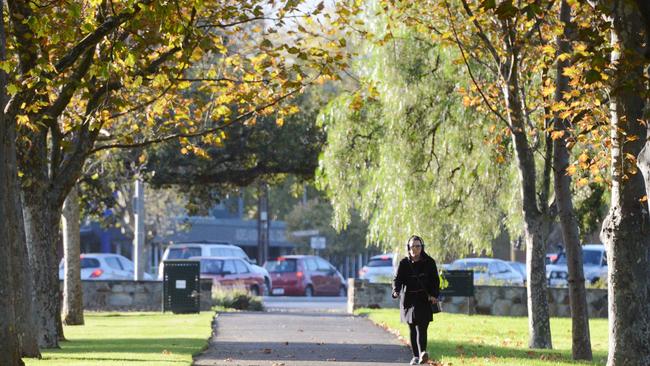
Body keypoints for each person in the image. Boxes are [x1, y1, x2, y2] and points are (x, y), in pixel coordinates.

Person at [392, 235, 440, 365]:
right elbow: (398, 279)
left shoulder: (429, 262)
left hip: (424, 300)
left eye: (417, 246)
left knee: (422, 327)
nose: (415, 248)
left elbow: (435, 281)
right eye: (412, 246)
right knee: (412, 328)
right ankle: (415, 356)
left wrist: (434, 295)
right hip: (408, 300)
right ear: (408, 247)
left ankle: (422, 353)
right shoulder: (404, 263)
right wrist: (396, 290)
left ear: (421, 247)